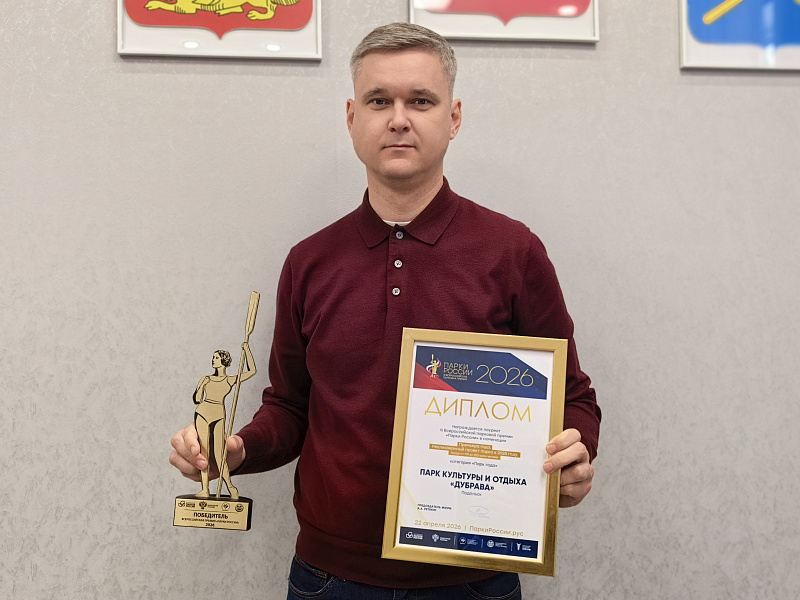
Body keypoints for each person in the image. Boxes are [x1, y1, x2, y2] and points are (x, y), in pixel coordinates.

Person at [170, 22, 600, 599]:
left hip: (475, 579)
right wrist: (238, 448)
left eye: (420, 101)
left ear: (454, 117)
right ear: (352, 118)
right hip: (328, 578)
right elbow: (290, 407)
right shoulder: (309, 261)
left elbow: (573, 396)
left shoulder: (513, 251)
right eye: (379, 101)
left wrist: (575, 454)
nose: (399, 119)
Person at [192, 345, 255, 500]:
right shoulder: (206, 379)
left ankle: (231, 487)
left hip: (218, 415)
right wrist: (201, 386)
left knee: (219, 455)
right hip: (203, 412)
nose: (213, 360)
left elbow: (252, 371)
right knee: (204, 453)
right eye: (213, 357)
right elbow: (197, 399)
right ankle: (205, 490)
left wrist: (246, 349)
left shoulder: (229, 380)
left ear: (224, 361)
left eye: (216, 358)